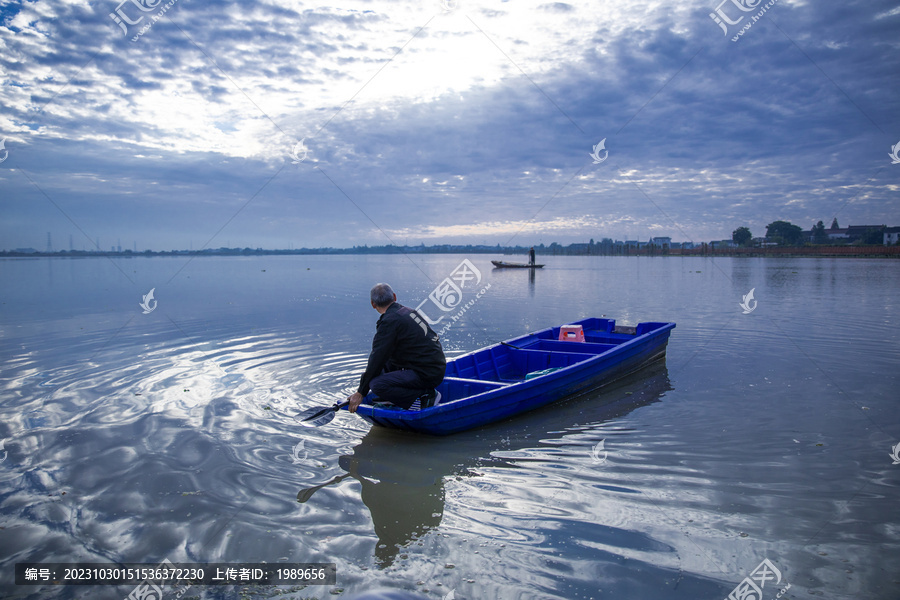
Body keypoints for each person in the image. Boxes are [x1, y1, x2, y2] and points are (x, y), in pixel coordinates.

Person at [347, 283, 446, 413]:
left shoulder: (390, 322)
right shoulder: (409, 312)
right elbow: (380, 358)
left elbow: (376, 357)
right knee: (383, 363)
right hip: (435, 367)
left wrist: (361, 392)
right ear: (394, 297)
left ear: (373, 304)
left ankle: (424, 398)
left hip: (427, 374)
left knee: (377, 384)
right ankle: (395, 397)